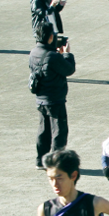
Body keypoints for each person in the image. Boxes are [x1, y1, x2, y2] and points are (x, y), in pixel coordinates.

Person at [29, 22, 75, 170]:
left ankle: (40, 160)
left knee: (44, 130)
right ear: (50, 37)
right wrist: (67, 54)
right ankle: (56, 162)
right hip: (55, 99)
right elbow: (69, 69)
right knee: (59, 131)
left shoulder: (34, 52)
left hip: (41, 98)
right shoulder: (52, 56)